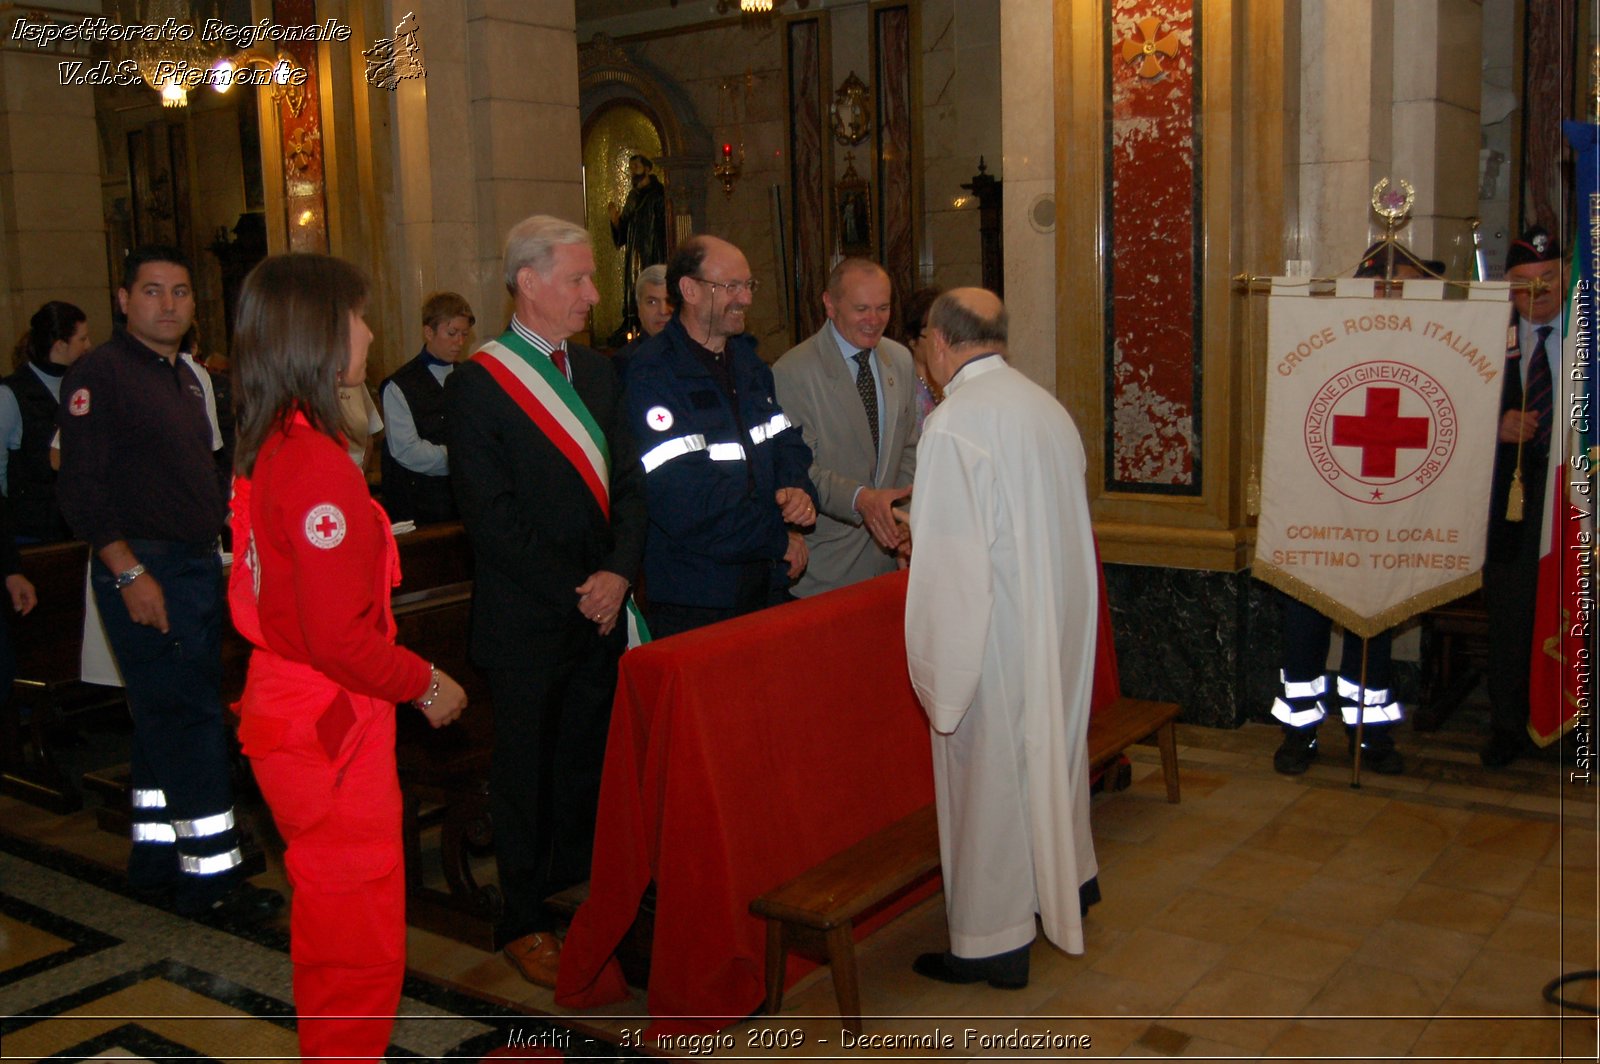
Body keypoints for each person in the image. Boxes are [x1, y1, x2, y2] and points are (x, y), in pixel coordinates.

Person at [227, 253, 468, 1061]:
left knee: (337, 927)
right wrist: (425, 681)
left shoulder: (280, 442)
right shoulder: (314, 463)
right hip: (328, 717)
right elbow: (338, 637)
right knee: (357, 940)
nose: (369, 330)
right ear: (318, 333)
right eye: (358, 316)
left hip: (299, 706)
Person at [445, 215, 646, 988]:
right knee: (525, 778)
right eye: (578, 279)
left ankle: (577, 899)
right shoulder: (479, 383)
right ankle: (524, 918)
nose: (593, 294)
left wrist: (619, 576)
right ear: (527, 283)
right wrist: (581, 590)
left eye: (591, 279)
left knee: (587, 770)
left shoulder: (597, 373)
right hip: (531, 621)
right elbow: (491, 521)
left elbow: (631, 487)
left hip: (601, 611)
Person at [55, 245, 280, 923]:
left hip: (190, 562)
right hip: (145, 566)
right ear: (124, 300)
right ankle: (213, 878)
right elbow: (81, 487)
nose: (169, 304)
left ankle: (155, 860)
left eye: (180, 292)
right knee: (192, 721)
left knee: (163, 719)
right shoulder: (101, 373)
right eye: (153, 291)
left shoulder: (185, 376)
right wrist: (128, 571)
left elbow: (207, 472)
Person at [903, 287, 1098, 990]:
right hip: (1052, 621)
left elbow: (952, 569)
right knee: (1049, 766)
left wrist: (939, 679)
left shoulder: (956, 424)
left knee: (986, 785)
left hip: (994, 636)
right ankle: (1065, 885)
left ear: (940, 342)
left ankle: (991, 943)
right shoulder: (1042, 405)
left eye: (923, 337)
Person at [1268, 240, 1438, 777]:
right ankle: (1299, 734)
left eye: (1402, 286)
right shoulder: (1323, 341)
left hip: (1383, 517)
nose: (1390, 294)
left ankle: (1372, 736)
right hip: (1316, 513)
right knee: (1304, 635)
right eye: (1382, 284)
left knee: (1376, 632)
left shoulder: (1425, 350)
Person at [623, 234, 817, 637]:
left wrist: (797, 491)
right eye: (731, 286)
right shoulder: (653, 374)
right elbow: (685, 498)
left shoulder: (748, 361)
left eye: (748, 285)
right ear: (689, 290)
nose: (745, 298)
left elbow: (783, 441)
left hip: (765, 582)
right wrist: (776, 537)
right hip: (698, 594)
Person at [773, 258, 918, 596]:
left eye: (883, 308)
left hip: (889, 560)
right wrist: (860, 499)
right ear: (830, 304)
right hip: (826, 569)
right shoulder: (793, 371)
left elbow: (909, 447)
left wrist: (901, 518)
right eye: (862, 309)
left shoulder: (899, 359)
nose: (874, 320)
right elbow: (800, 468)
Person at [1481, 227, 1568, 767]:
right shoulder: (1484, 337)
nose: (1534, 294)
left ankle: (1577, 723)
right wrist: (1496, 423)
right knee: (1511, 615)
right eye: (1520, 283)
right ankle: (1508, 727)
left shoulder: (1591, 337)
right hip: (1508, 499)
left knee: (1576, 607)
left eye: (1547, 280)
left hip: (1574, 493)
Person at [379, 292, 475, 524]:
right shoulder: (399, 385)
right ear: (429, 332)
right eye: (452, 334)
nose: (460, 342)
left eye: (464, 334)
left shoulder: (470, 378)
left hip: (463, 500)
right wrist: (458, 458)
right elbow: (406, 450)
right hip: (421, 505)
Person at [1, 301, 91, 542]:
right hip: (31, 529)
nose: (89, 346)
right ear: (60, 345)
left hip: (76, 524)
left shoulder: (83, 385)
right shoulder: (12, 393)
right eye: (82, 339)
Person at [607, 154, 669, 345]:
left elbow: (664, 225)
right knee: (633, 283)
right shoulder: (633, 196)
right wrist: (616, 221)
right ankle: (632, 323)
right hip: (635, 248)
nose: (633, 170)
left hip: (652, 248)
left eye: (637, 166)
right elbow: (624, 229)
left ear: (648, 169)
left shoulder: (659, 194)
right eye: (631, 167)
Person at [610, 262, 671, 378]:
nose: (663, 311)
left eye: (670, 301)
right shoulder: (626, 361)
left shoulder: (695, 354)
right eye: (652, 302)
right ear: (638, 308)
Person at [902, 286, 943, 429]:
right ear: (912, 340)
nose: (942, 343)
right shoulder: (908, 392)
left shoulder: (950, 382)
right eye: (933, 335)